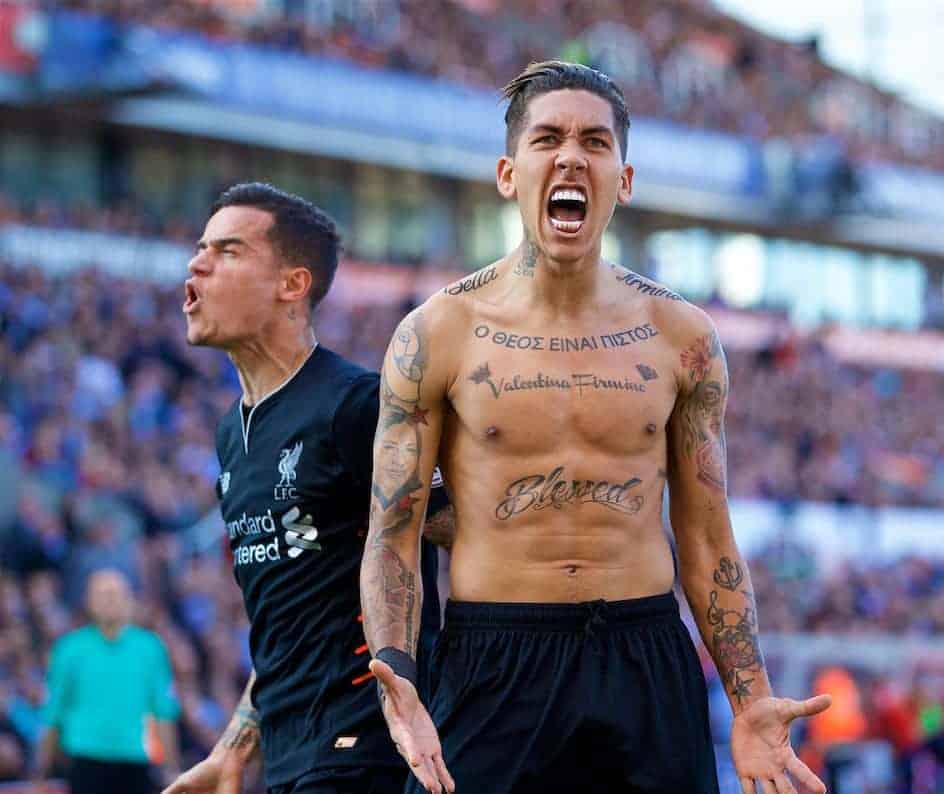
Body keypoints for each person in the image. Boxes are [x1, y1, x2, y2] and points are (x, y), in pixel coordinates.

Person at [361, 60, 831, 794]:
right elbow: (393, 529)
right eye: (547, 138)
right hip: (494, 656)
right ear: (509, 174)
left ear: (625, 178)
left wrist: (750, 698)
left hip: (643, 656)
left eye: (594, 142)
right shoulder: (437, 333)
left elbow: (708, 536)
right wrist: (403, 679)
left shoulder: (683, 336)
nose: (571, 156)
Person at [164, 183, 450, 794]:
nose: (197, 263)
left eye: (228, 250)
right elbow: (287, 620)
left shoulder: (356, 405)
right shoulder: (230, 435)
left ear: (292, 285)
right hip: (290, 755)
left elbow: (468, 534)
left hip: (367, 754)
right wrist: (235, 750)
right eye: (199, 248)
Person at [35, 569, 180, 794]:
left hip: (135, 760)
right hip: (85, 760)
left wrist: (172, 768)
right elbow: (53, 712)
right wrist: (40, 772)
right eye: (102, 594)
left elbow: (163, 711)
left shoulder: (151, 647)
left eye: (115, 594)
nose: (110, 600)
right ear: (89, 602)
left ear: (129, 599)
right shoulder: (69, 649)